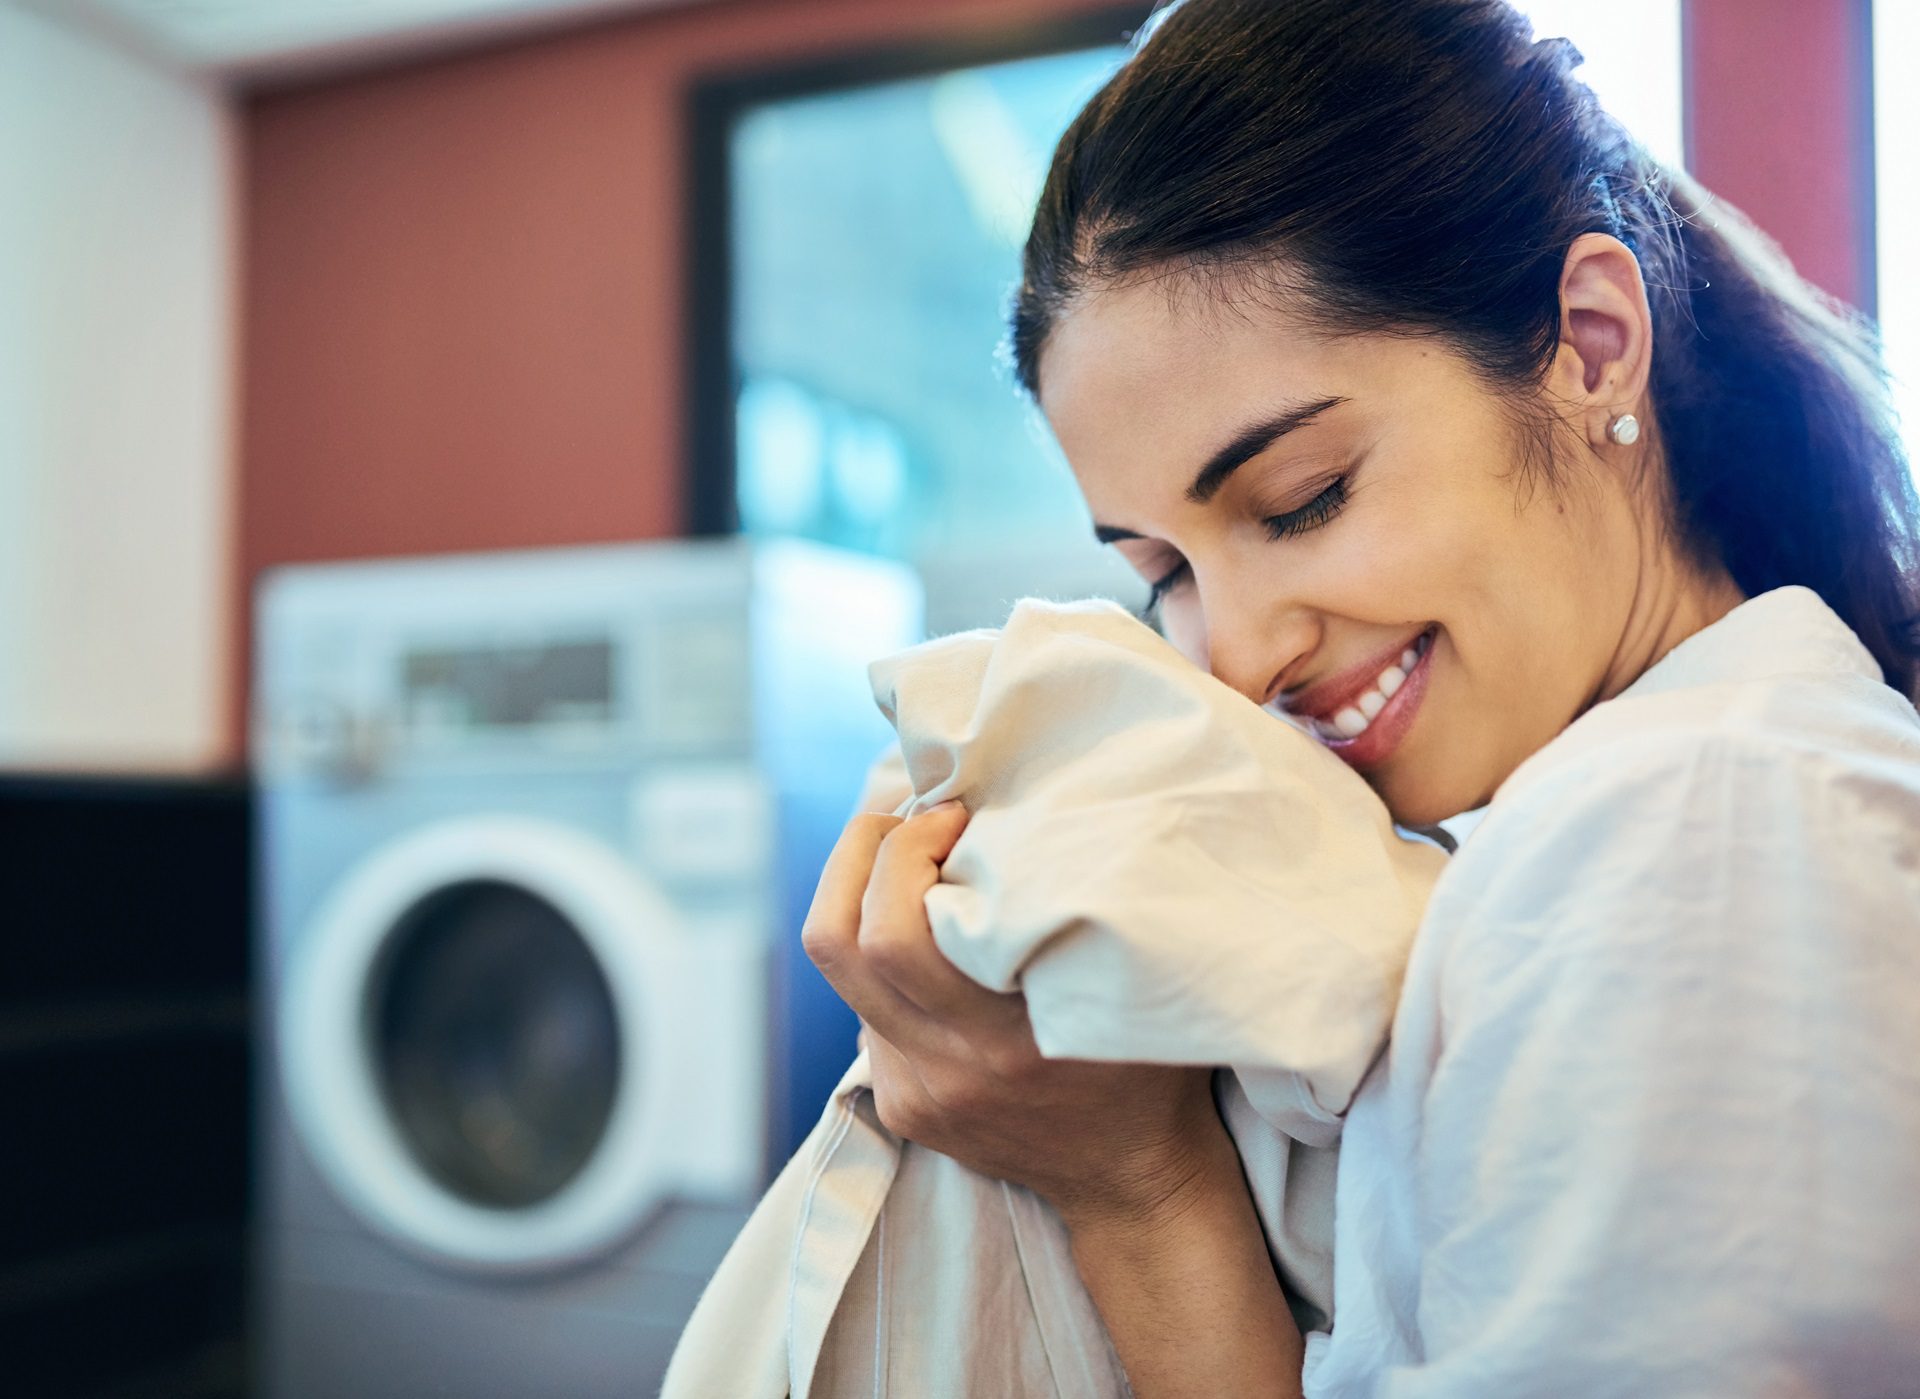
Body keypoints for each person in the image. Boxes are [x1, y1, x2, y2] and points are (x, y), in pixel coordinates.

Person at [798, 0, 1920, 1395]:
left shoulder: (1695, 825)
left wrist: (1137, 1189)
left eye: (1302, 498)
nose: (1240, 657)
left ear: (1588, 341)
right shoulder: (1626, 811)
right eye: (1167, 572)